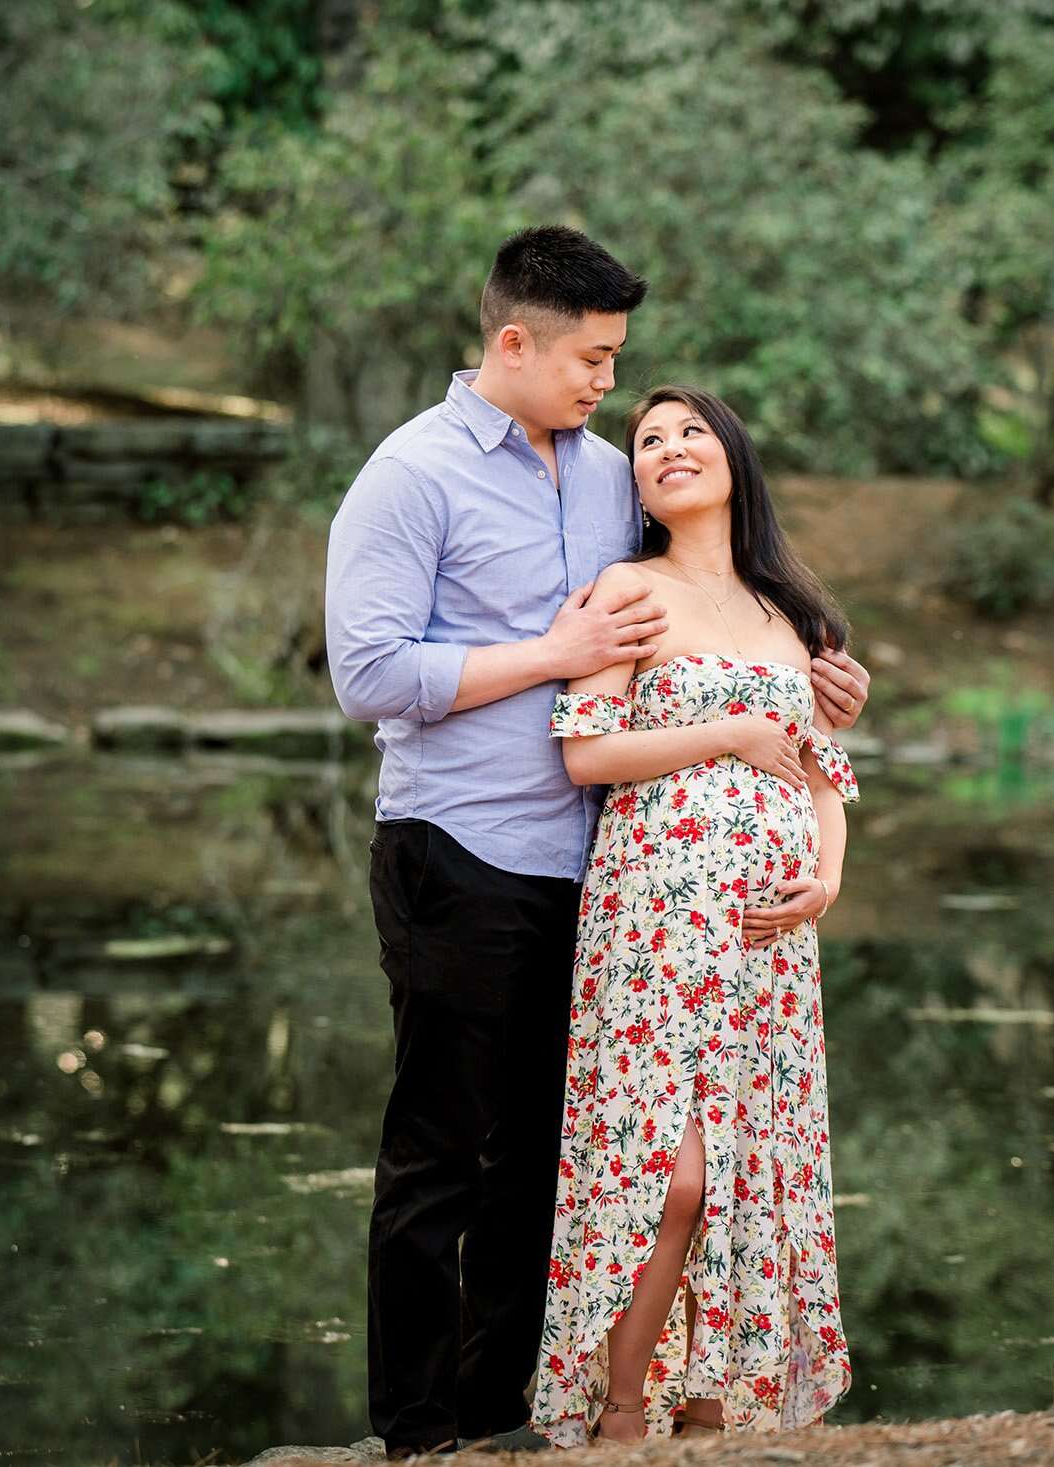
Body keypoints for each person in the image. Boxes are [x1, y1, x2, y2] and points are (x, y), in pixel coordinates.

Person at [324, 227, 871, 1459]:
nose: (611, 390)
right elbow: (366, 673)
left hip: (598, 872)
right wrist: (553, 661)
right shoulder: (412, 473)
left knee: (543, 1162)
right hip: (455, 847)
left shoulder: (602, 471)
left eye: (619, 364)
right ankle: (413, 1435)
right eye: (593, 361)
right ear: (512, 342)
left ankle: (508, 1418)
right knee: (438, 1157)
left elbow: (728, 616)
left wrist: (821, 688)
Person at [529, 386, 857, 1446]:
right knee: (670, 1175)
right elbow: (586, 752)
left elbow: (821, 773)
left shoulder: (790, 613)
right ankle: (620, 1410)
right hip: (656, 928)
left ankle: (713, 1408)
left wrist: (828, 877)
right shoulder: (628, 589)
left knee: (751, 1173)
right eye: (646, 440)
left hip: (766, 939)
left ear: (732, 458)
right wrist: (719, 732)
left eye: (688, 432)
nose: (666, 449)